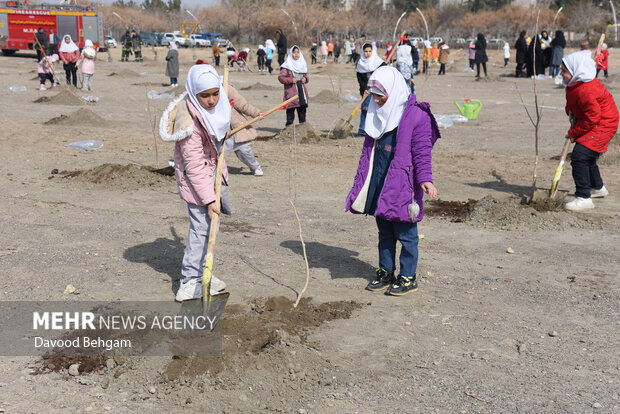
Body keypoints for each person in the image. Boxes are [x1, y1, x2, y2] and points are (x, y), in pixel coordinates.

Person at [345, 66, 440, 296]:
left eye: (381, 96)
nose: (377, 101)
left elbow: (422, 153)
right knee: (384, 231)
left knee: (407, 234)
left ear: (394, 90)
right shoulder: (377, 114)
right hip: (380, 182)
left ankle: (408, 277)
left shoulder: (416, 116)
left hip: (403, 186)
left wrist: (425, 180)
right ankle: (386, 271)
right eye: (374, 96)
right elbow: (370, 152)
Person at [158, 64, 232, 301]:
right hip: (196, 183)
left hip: (212, 177)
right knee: (201, 230)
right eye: (205, 96)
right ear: (193, 93)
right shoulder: (188, 123)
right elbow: (194, 166)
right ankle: (189, 282)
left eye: (215, 93)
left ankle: (203, 274)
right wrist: (209, 199)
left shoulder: (217, 108)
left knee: (211, 228)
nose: (211, 100)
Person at [560, 52, 618, 211]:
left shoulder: (586, 89)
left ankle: (584, 197)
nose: (561, 74)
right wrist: (570, 111)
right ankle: (597, 188)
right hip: (594, 122)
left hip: (604, 124)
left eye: (564, 71)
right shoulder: (575, 85)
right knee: (587, 156)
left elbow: (593, 117)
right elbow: (572, 102)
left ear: (576, 71)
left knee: (580, 157)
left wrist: (574, 132)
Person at [227, 83, 265, 176]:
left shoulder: (226, 89)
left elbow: (243, 105)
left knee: (244, 150)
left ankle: (255, 167)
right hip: (215, 130)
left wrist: (256, 113)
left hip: (235, 127)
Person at [356, 43, 385, 135]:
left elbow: (385, 74)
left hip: (377, 90)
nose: (367, 53)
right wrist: (364, 89)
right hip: (367, 91)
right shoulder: (360, 64)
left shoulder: (379, 63)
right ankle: (362, 130)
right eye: (365, 51)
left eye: (369, 51)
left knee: (377, 111)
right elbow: (360, 80)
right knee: (365, 109)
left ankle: (377, 130)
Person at [278, 46, 309, 126]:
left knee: (302, 113)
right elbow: (281, 78)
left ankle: (303, 130)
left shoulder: (302, 64)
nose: (296, 54)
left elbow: (306, 75)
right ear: (291, 53)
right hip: (291, 94)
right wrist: (291, 80)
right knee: (290, 114)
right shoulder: (286, 66)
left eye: (298, 52)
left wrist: (305, 79)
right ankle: (288, 130)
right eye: (294, 52)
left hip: (301, 92)